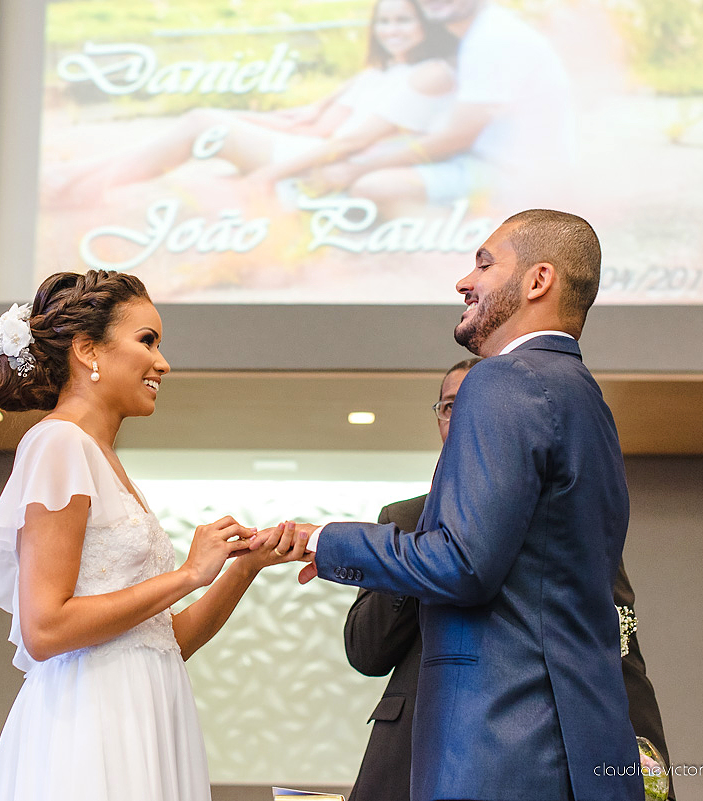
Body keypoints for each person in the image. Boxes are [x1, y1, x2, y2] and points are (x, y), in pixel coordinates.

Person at [257, 209, 643, 800]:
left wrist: (323, 539)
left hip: (502, 751)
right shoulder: (586, 398)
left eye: (484, 263)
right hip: (578, 751)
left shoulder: (502, 380)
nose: (464, 280)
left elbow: (462, 565)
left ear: (539, 281)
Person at [0, 270, 297, 801]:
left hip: (145, 710)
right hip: (90, 723)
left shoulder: (104, 459)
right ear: (87, 350)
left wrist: (240, 569)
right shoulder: (58, 445)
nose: (162, 363)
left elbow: (165, 640)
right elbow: (45, 628)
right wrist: (188, 573)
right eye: (147, 341)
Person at [343, 357, 674, 801]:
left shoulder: (563, 517)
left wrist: (647, 760)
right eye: (449, 407)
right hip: (414, 752)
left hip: (528, 752)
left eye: (475, 407)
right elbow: (367, 652)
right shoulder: (402, 519)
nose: (461, 419)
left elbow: (615, 642)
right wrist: (428, 531)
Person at [45, 0, 457, 206]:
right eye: (384, 21)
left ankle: (78, 181)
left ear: (424, 25)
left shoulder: (430, 72)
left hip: (317, 161)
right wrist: (233, 116)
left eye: (403, 20)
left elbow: (349, 144)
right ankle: (78, 178)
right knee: (201, 121)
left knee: (202, 127)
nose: (392, 30)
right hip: (310, 147)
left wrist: (268, 176)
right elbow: (310, 122)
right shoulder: (379, 71)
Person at [310, 0, 573, 212]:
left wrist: (361, 169)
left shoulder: (493, 40)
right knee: (366, 159)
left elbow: (456, 138)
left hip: (515, 173)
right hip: (481, 157)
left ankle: (470, 243)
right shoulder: (476, 32)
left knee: (372, 185)